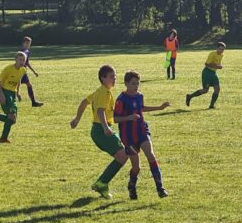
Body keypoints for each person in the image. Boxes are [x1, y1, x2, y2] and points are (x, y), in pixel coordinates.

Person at [70, 65, 129, 199]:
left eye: (115, 76)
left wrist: (77, 119)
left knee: (123, 154)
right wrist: (105, 127)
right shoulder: (103, 93)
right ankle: (101, 183)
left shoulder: (101, 91)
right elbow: (100, 111)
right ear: (103, 78)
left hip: (98, 130)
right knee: (123, 155)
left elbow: (84, 102)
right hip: (101, 129)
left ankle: (102, 183)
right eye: (111, 76)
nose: (114, 79)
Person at [114, 70, 170, 200]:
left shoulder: (139, 96)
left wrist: (159, 108)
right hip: (128, 138)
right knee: (136, 167)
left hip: (142, 131)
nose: (136, 86)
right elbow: (115, 118)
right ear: (126, 83)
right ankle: (132, 186)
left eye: (138, 83)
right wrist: (129, 117)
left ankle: (160, 188)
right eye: (133, 83)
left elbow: (141, 108)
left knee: (151, 155)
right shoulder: (121, 99)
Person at [0, 51, 27, 143]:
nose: (22, 61)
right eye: (20, 59)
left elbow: (18, 80)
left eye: (23, 60)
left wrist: (18, 93)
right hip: (5, 93)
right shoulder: (8, 69)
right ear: (15, 60)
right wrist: (1, 95)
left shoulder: (23, 70)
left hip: (12, 94)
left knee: (12, 120)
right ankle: (3, 138)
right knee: (11, 117)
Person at [186, 42, 226, 109]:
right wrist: (217, 66)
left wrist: (219, 66)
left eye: (223, 49)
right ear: (217, 48)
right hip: (207, 73)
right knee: (205, 90)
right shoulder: (212, 54)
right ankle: (190, 96)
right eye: (220, 49)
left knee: (217, 89)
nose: (221, 51)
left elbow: (217, 63)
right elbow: (206, 64)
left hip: (213, 73)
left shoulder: (221, 55)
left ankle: (211, 105)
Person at [19, 36, 44, 107]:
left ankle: (33, 102)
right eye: (26, 43)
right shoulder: (21, 52)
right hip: (19, 71)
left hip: (24, 72)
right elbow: (17, 62)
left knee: (29, 85)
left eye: (29, 43)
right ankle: (4, 97)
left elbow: (27, 63)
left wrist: (34, 71)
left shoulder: (27, 52)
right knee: (14, 86)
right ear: (23, 43)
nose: (28, 45)